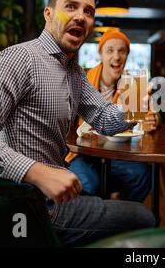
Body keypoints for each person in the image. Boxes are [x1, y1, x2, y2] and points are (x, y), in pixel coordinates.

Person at [0, 0, 155, 247]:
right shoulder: (19, 59)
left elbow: (104, 119)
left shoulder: (74, 73)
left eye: (88, 11)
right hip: (32, 206)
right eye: (70, 6)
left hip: (54, 199)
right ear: (49, 13)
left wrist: (133, 111)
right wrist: (38, 172)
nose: (81, 16)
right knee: (144, 217)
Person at [65, 29, 159, 202]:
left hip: (117, 154)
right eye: (110, 51)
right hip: (83, 153)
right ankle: (97, 225)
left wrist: (150, 121)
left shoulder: (134, 83)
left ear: (127, 56)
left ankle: (123, 216)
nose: (116, 57)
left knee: (143, 175)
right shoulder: (83, 79)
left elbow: (148, 114)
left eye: (121, 51)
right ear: (100, 54)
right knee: (89, 184)